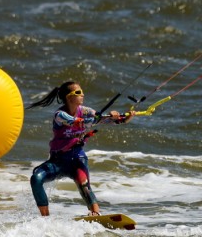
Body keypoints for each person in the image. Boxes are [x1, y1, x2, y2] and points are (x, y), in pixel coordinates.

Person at [26, 81, 134, 216]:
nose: (82, 94)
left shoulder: (86, 111)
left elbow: (107, 121)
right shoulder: (59, 115)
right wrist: (98, 118)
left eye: (82, 91)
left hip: (77, 159)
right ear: (69, 97)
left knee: (84, 184)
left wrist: (122, 118)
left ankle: (95, 214)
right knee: (36, 179)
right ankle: (45, 218)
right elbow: (76, 122)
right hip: (57, 161)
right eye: (78, 93)